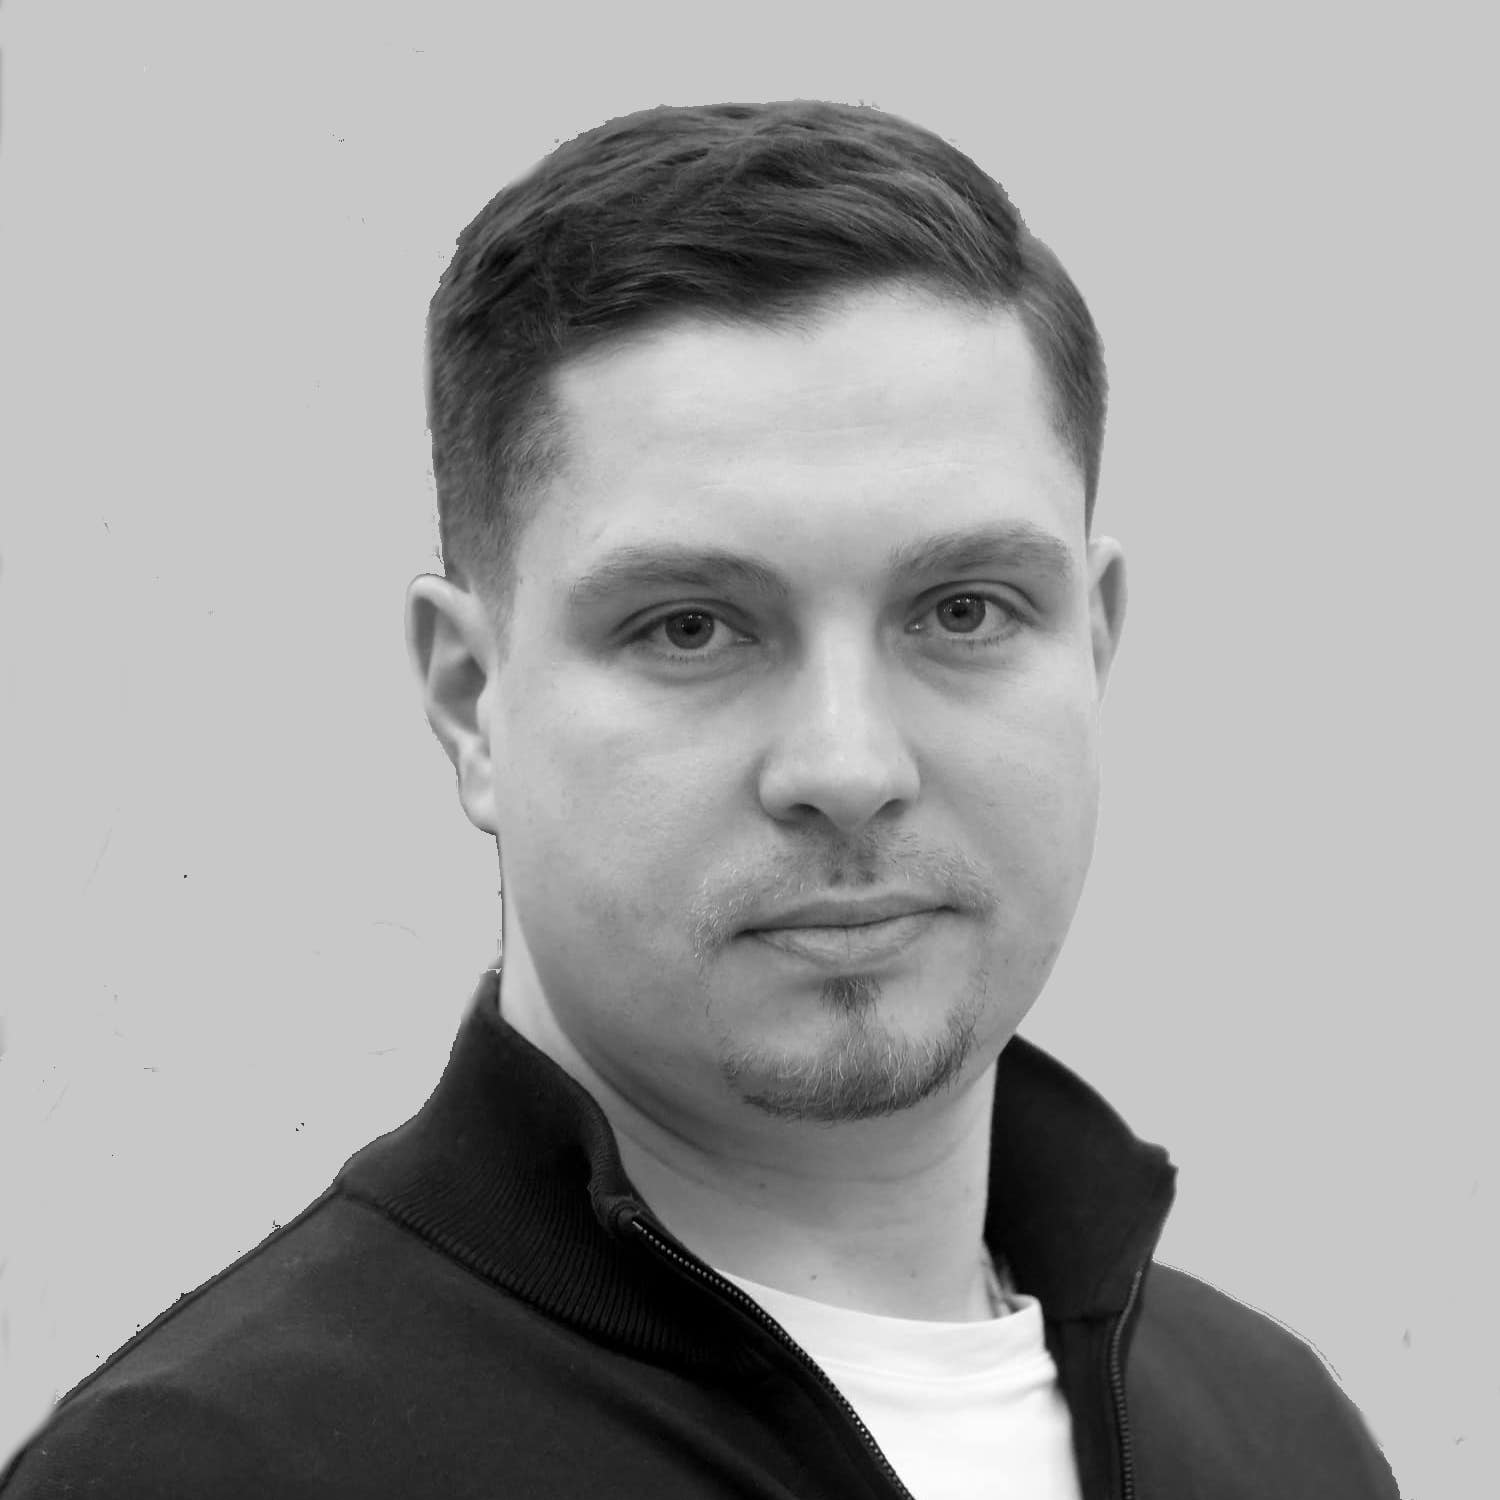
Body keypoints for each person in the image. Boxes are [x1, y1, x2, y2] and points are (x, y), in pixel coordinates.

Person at [1, 100, 1402, 1499]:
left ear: (1093, 645)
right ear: (471, 700)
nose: (848, 767)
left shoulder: (1281, 1438)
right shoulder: (206, 1472)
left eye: (964, 610)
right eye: (690, 628)